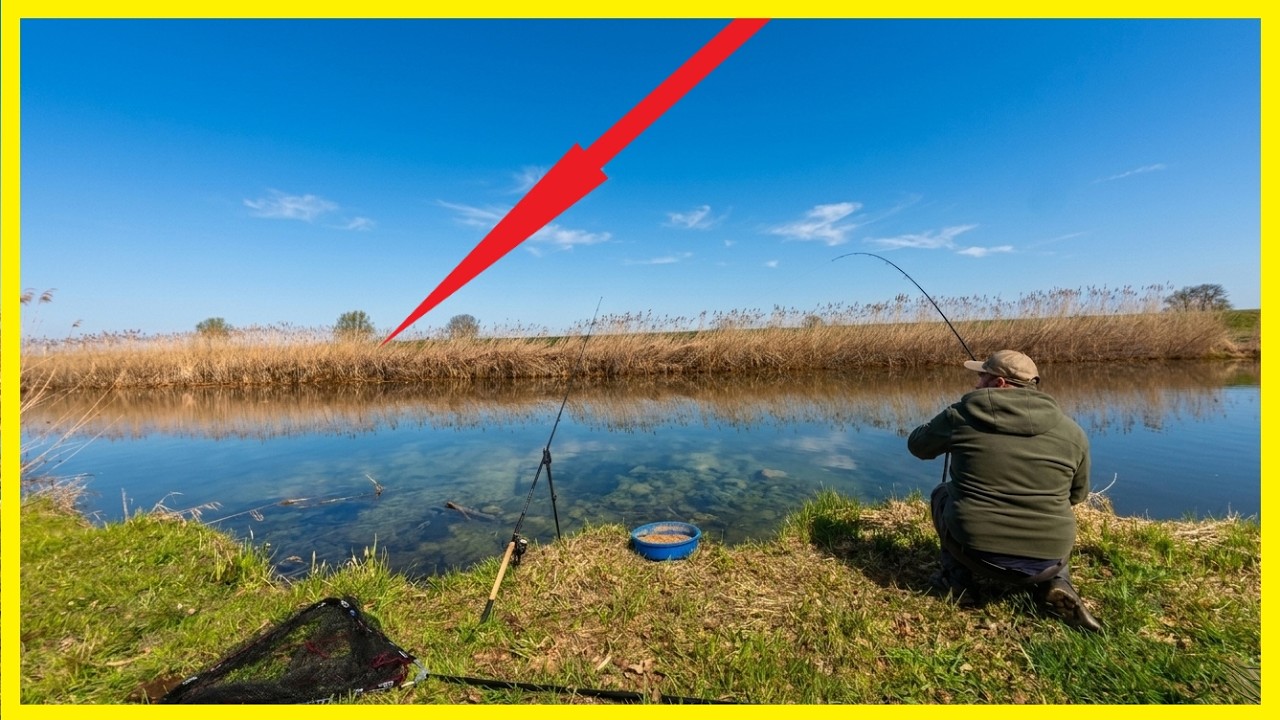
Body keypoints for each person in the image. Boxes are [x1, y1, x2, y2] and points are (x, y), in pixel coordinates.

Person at [907, 349, 1102, 632]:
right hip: (1049, 559)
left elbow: (917, 446)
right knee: (1054, 515)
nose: (976, 384)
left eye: (982, 376)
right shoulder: (1073, 433)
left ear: (999, 384)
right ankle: (1057, 582)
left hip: (976, 554)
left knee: (941, 493)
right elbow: (1076, 496)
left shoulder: (961, 416)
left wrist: (942, 422)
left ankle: (958, 581)